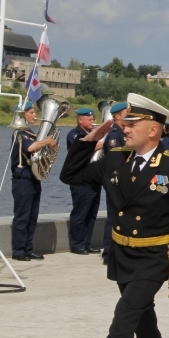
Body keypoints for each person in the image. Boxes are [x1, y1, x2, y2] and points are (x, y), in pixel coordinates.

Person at [62, 93, 169, 338]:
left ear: (153, 129)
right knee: (143, 325)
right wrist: (87, 142)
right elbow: (70, 176)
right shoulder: (114, 158)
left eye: (133, 122)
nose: (125, 126)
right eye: (125, 121)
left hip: (154, 258)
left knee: (123, 321)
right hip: (122, 256)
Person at [10, 101, 54, 261]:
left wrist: (51, 148)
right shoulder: (19, 133)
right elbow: (30, 148)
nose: (35, 115)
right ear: (23, 115)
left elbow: (39, 149)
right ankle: (19, 251)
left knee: (32, 216)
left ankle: (28, 248)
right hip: (22, 180)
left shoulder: (31, 133)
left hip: (34, 179)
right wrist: (47, 141)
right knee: (22, 217)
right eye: (31, 112)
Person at [66, 107, 102, 256]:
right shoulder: (74, 134)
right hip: (80, 180)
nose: (92, 121)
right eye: (89, 119)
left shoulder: (90, 135)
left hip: (94, 179)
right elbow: (84, 148)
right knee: (80, 213)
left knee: (91, 213)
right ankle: (76, 244)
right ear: (80, 120)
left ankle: (87, 243)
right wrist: (103, 141)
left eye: (93, 119)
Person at [100, 102, 128, 265]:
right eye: (126, 113)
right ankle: (108, 252)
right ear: (117, 116)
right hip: (115, 180)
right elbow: (116, 158)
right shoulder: (114, 135)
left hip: (123, 180)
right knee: (113, 216)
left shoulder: (124, 133)